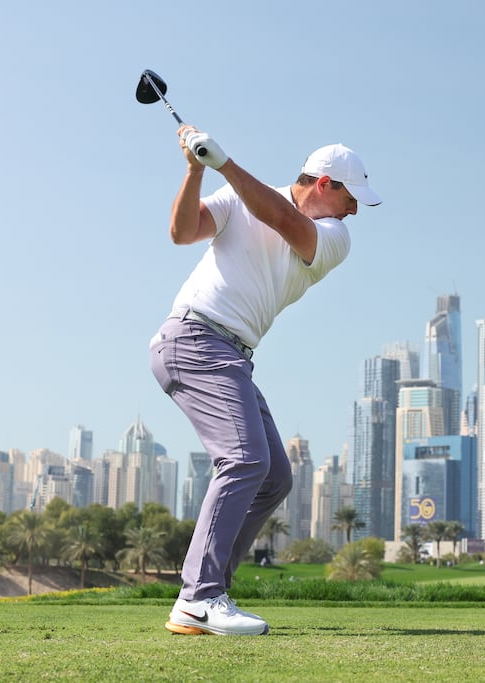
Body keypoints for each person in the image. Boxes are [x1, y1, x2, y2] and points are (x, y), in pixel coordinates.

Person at [150, 126, 381, 636]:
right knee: (244, 458)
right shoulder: (238, 195)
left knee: (275, 475)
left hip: (231, 355)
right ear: (325, 183)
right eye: (351, 197)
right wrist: (194, 170)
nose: (355, 211)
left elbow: (280, 218)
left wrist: (222, 162)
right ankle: (199, 596)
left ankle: (212, 592)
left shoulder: (334, 239)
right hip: (193, 337)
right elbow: (182, 232)